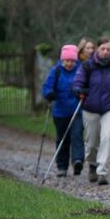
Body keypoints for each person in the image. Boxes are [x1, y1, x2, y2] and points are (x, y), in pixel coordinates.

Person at [72, 36, 110, 185]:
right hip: (90, 108)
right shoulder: (88, 66)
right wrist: (79, 89)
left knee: (107, 137)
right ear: (97, 49)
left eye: (108, 49)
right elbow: (77, 82)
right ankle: (92, 165)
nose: (105, 52)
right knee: (91, 143)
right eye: (103, 49)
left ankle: (102, 171)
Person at [41, 44, 84, 177]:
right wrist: (49, 94)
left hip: (77, 110)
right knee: (62, 138)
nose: (69, 63)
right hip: (60, 112)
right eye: (67, 61)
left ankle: (77, 160)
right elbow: (46, 87)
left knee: (77, 135)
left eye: (72, 61)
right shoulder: (56, 71)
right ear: (62, 60)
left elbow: (86, 84)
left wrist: (83, 91)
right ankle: (62, 166)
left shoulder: (80, 70)